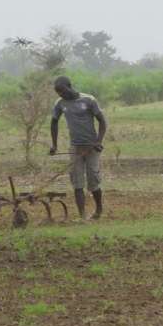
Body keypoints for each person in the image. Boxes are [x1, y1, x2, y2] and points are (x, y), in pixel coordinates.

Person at [49, 76, 107, 220]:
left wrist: (99, 141)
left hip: (91, 147)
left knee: (93, 180)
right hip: (75, 147)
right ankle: (82, 216)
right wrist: (54, 145)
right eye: (58, 93)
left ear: (70, 86)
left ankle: (98, 209)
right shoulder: (60, 103)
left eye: (62, 91)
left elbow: (102, 121)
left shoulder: (88, 100)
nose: (61, 94)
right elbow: (54, 122)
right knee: (77, 182)